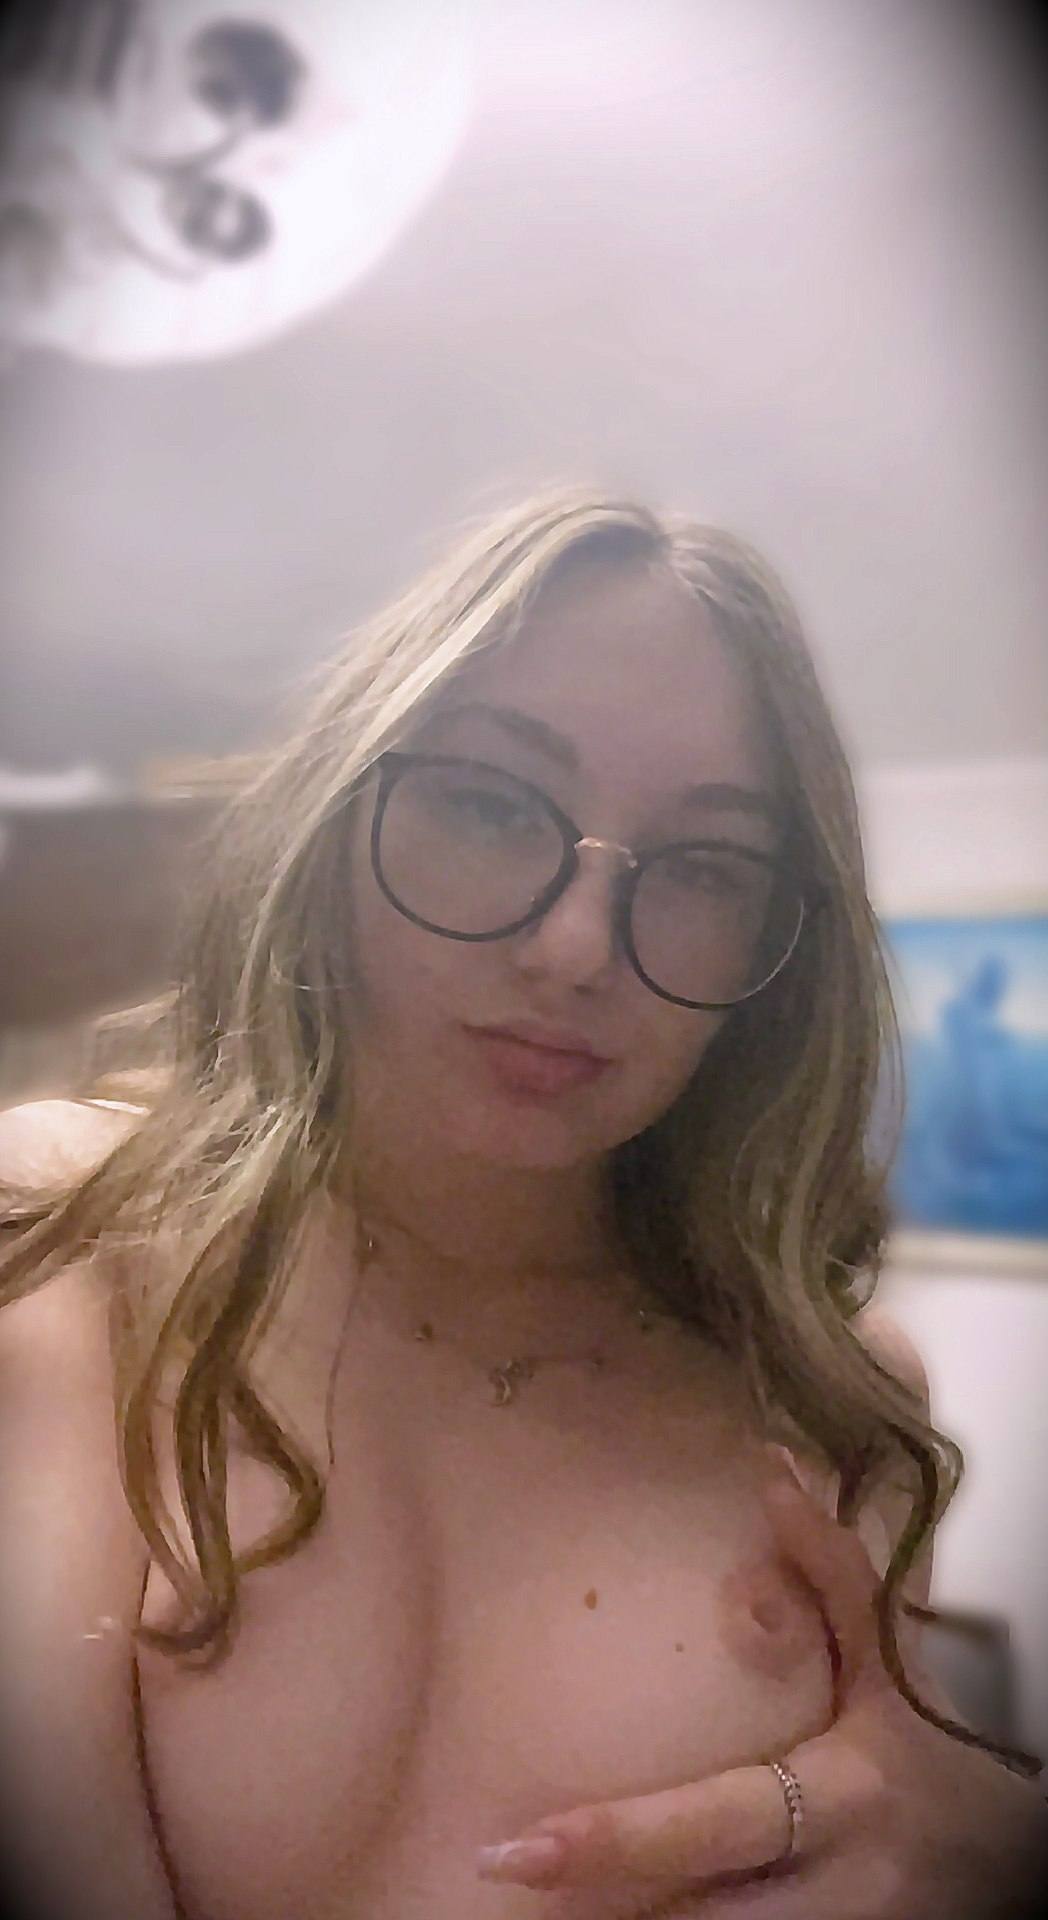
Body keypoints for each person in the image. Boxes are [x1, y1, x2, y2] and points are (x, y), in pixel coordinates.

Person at [0, 488, 1045, 1920]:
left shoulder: (828, 1401)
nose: (573, 948)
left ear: (779, 951)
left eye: (702, 869)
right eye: (491, 805)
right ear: (341, 812)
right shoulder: (75, 1239)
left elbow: (904, 1820)